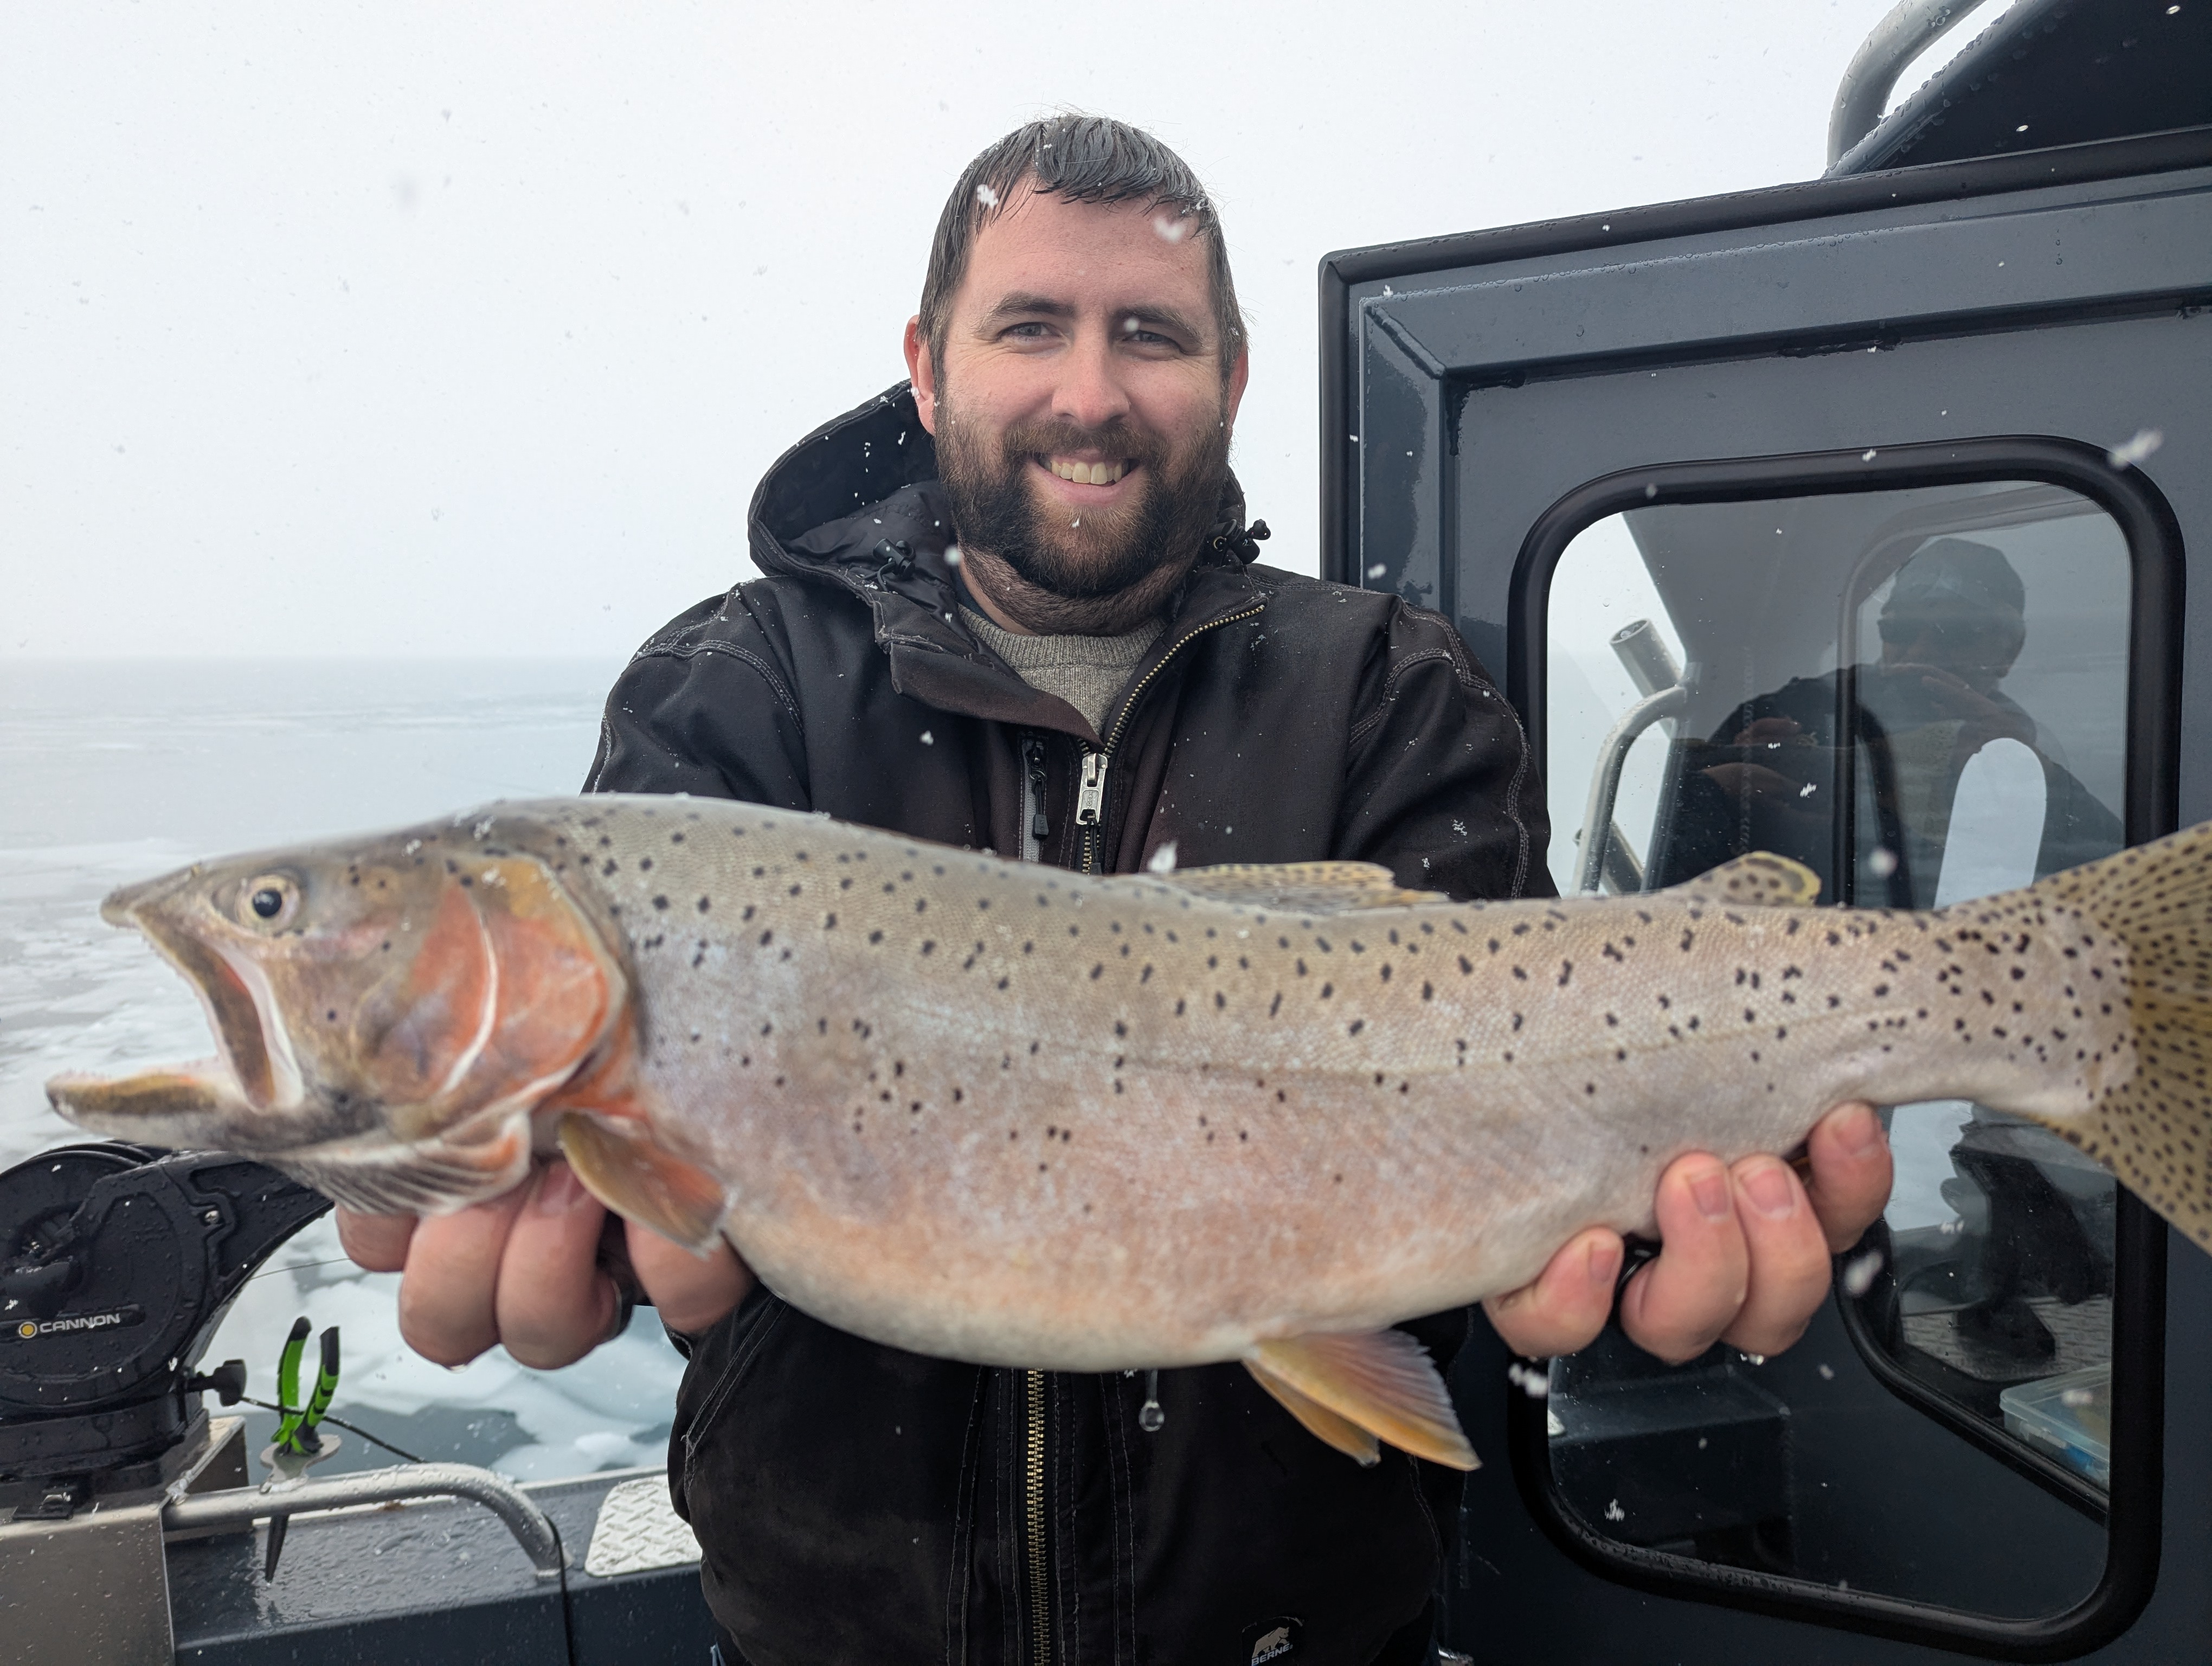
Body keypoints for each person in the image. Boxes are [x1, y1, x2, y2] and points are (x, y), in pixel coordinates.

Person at [337, 118, 1892, 1664]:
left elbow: (1507, 1096)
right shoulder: (738, 691)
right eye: (1031, 328)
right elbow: (646, 1183)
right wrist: (591, 1242)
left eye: (1151, 335)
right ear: (927, 364)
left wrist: (1627, 1248)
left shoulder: (1390, 693)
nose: (1090, 394)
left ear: (1229, 377)